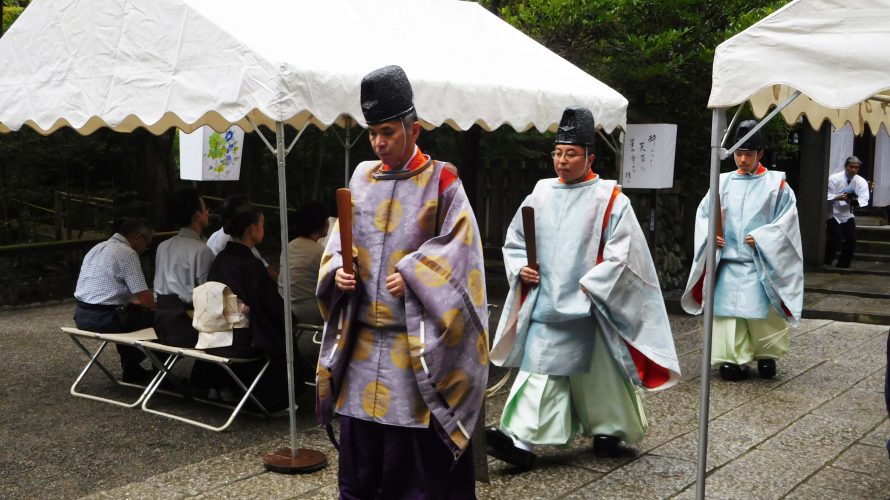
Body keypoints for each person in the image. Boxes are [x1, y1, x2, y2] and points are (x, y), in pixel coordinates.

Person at [315, 65, 488, 498]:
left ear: (415, 129)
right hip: (362, 349)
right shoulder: (360, 177)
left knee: (412, 473)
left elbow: (462, 252)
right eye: (373, 133)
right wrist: (338, 269)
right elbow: (341, 241)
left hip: (415, 354)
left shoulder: (442, 180)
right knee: (362, 467)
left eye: (388, 131)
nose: (379, 142)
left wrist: (413, 274)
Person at [485, 106, 680, 469]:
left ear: (590, 156)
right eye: (557, 153)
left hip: (590, 302)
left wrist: (591, 287)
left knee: (602, 371)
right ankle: (522, 440)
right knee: (542, 369)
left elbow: (624, 255)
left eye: (571, 153)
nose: (562, 161)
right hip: (546, 302)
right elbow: (515, 241)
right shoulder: (540, 194)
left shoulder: (611, 199)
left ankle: (610, 428)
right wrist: (521, 268)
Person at [681, 120, 803, 381]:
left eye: (748, 153)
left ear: (760, 153)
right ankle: (732, 358)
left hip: (760, 261)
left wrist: (762, 238)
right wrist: (711, 235)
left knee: (763, 312)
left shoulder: (777, 184)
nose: (743, 159)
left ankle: (766, 354)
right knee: (727, 314)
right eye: (738, 153)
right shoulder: (722, 182)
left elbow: (787, 223)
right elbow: (704, 214)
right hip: (727, 261)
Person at [205, 205, 301, 411]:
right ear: (252, 230)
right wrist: (291, 318)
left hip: (216, 333)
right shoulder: (251, 265)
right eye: (262, 225)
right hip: (243, 337)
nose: (263, 230)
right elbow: (271, 305)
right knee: (284, 335)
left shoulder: (222, 259)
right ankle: (282, 397)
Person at [73, 218, 156, 384]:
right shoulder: (127, 253)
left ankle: (132, 370)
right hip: (105, 318)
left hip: (81, 315)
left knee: (131, 314)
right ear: (138, 237)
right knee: (163, 320)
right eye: (148, 243)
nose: (146, 248)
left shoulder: (97, 248)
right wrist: (162, 307)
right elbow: (145, 298)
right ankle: (161, 372)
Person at [153, 188, 214, 347]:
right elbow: (207, 295)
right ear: (197, 215)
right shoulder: (202, 250)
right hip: (188, 324)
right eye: (206, 209)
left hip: (160, 319)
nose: (208, 213)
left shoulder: (162, 246)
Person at [278, 201, 329, 326]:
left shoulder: (289, 246)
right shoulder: (319, 251)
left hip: (283, 305)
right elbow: (330, 283)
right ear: (320, 224)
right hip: (309, 311)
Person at [207, 194, 274, 275]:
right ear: (252, 228)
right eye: (261, 224)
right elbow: (266, 271)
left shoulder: (228, 244)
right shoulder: (247, 262)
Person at [825, 155, 870, 268]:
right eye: (851, 167)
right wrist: (837, 197)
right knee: (835, 237)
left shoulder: (861, 181)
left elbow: (864, 198)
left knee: (851, 238)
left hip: (847, 213)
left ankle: (844, 264)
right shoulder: (834, 178)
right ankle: (827, 260)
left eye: (856, 167)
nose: (853, 169)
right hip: (833, 213)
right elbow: (826, 195)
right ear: (845, 166)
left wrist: (854, 202)